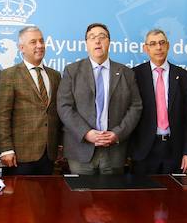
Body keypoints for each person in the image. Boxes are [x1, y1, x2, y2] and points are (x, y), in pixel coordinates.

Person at [57, 23, 142, 174]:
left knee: (112, 196)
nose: (97, 41)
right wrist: (86, 133)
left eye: (102, 37)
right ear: (86, 44)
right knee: (81, 196)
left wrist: (117, 133)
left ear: (109, 42)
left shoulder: (126, 73)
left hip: (114, 150)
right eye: (92, 37)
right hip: (81, 150)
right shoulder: (72, 71)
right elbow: (64, 107)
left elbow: (135, 106)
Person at [0, 26, 62, 175]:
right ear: (21, 48)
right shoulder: (9, 75)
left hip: (49, 154)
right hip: (20, 155)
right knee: (21, 198)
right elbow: (2, 116)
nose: (39, 45)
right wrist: (6, 149)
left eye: (41, 41)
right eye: (33, 42)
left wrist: (60, 146)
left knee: (47, 197)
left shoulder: (55, 75)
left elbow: (58, 113)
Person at [131, 29, 187, 174]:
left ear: (168, 46)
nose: (158, 47)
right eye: (153, 44)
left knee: (175, 195)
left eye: (162, 43)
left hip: (175, 150)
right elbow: (129, 113)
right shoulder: (134, 75)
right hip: (144, 151)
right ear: (146, 48)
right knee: (145, 196)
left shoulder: (183, 76)